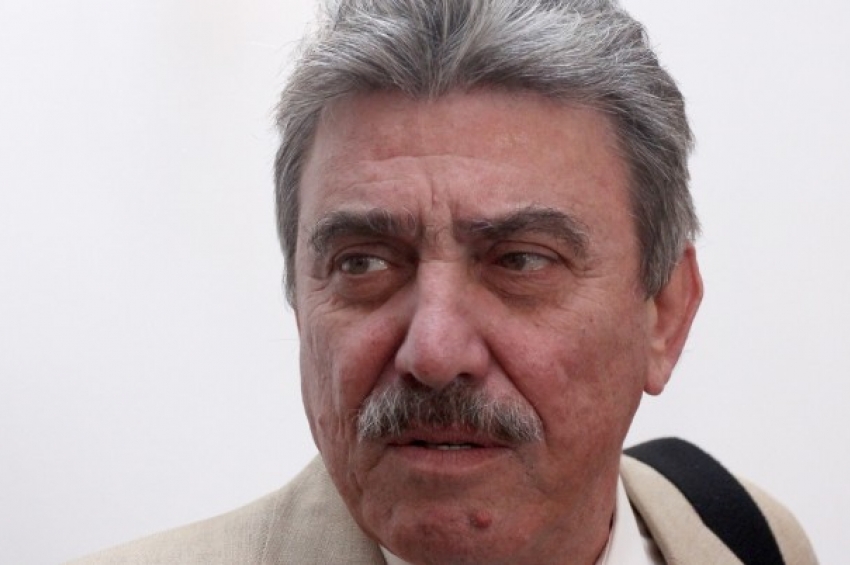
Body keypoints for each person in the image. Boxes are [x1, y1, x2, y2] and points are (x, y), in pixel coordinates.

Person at [70, 1, 817, 563]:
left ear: (665, 313)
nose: (433, 351)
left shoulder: (750, 536)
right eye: (363, 263)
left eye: (521, 261)